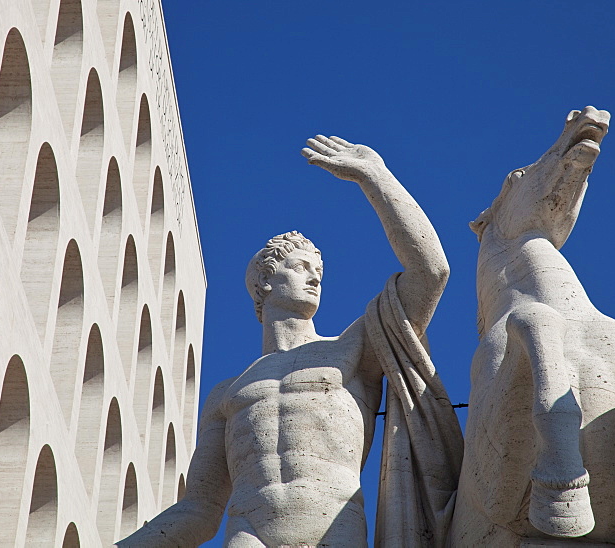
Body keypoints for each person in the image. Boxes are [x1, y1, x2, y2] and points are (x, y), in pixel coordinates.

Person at [118, 135, 454, 547]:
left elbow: (430, 273)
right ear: (264, 281)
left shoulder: (351, 349)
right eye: (300, 267)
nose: (314, 277)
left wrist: (375, 177)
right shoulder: (228, 393)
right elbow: (199, 510)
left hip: (332, 528)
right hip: (248, 533)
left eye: (319, 271)